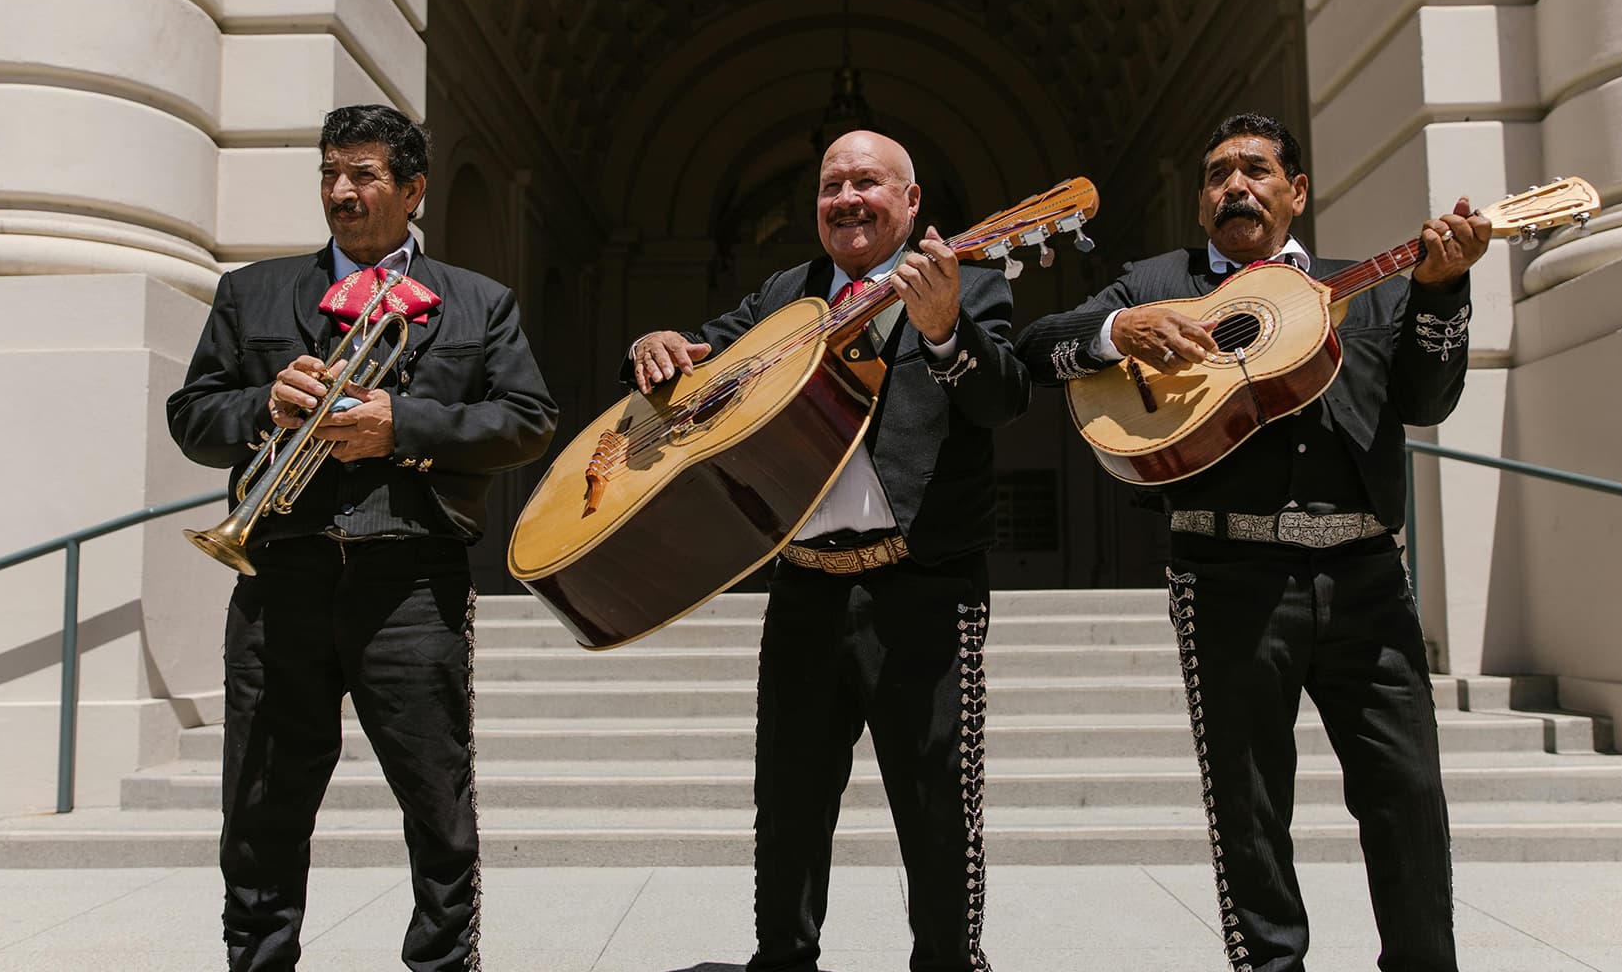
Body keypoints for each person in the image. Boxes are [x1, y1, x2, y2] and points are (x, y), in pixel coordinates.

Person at [1014, 112, 1489, 972]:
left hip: (1367, 574)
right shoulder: (1162, 280)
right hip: (1226, 571)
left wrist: (1444, 292)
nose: (1235, 185)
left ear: (1295, 191)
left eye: (1256, 169)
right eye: (1217, 174)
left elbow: (1428, 401)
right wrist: (1122, 332)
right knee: (1249, 803)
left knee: (1408, 791)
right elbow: (1036, 346)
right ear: (1201, 203)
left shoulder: (1370, 286)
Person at [166, 103, 557, 972]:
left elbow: (528, 420)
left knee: (436, 802)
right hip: (280, 579)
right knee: (262, 804)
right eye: (330, 173)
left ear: (412, 190)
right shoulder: (252, 292)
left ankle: (442, 965)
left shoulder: (477, 302)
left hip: (410, 583)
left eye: (364, 175)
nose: (342, 191)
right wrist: (263, 404)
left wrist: (405, 425)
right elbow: (191, 417)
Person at [627, 130, 1029, 972]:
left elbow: (1002, 401)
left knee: (935, 805)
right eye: (831, 185)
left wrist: (946, 329)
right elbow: (698, 360)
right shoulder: (787, 291)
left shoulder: (972, 285)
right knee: (789, 804)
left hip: (921, 588)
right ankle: (784, 960)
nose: (846, 198)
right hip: (805, 588)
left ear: (911, 203)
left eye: (867, 183)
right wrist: (657, 347)